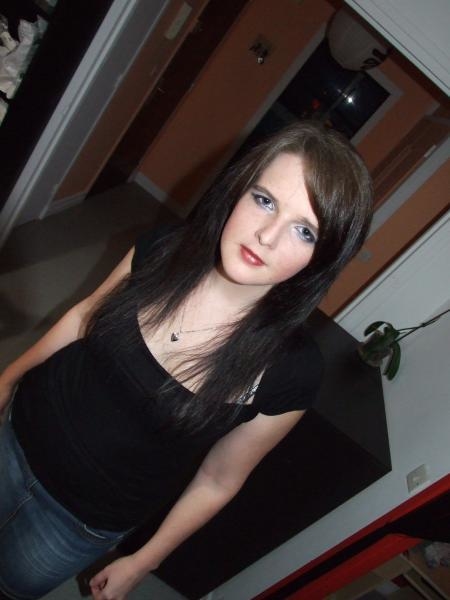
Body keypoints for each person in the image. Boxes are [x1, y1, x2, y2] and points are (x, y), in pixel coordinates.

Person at [0, 120, 373, 600]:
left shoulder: (291, 371)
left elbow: (218, 480)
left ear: (322, 258)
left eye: (304, 231)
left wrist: (143, 561)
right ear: (238, 191)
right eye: (264, 201)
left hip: (73, 526)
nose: (266, 235)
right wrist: (7, 379)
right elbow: (84, 316)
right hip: (15, 435)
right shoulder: (164, 248)